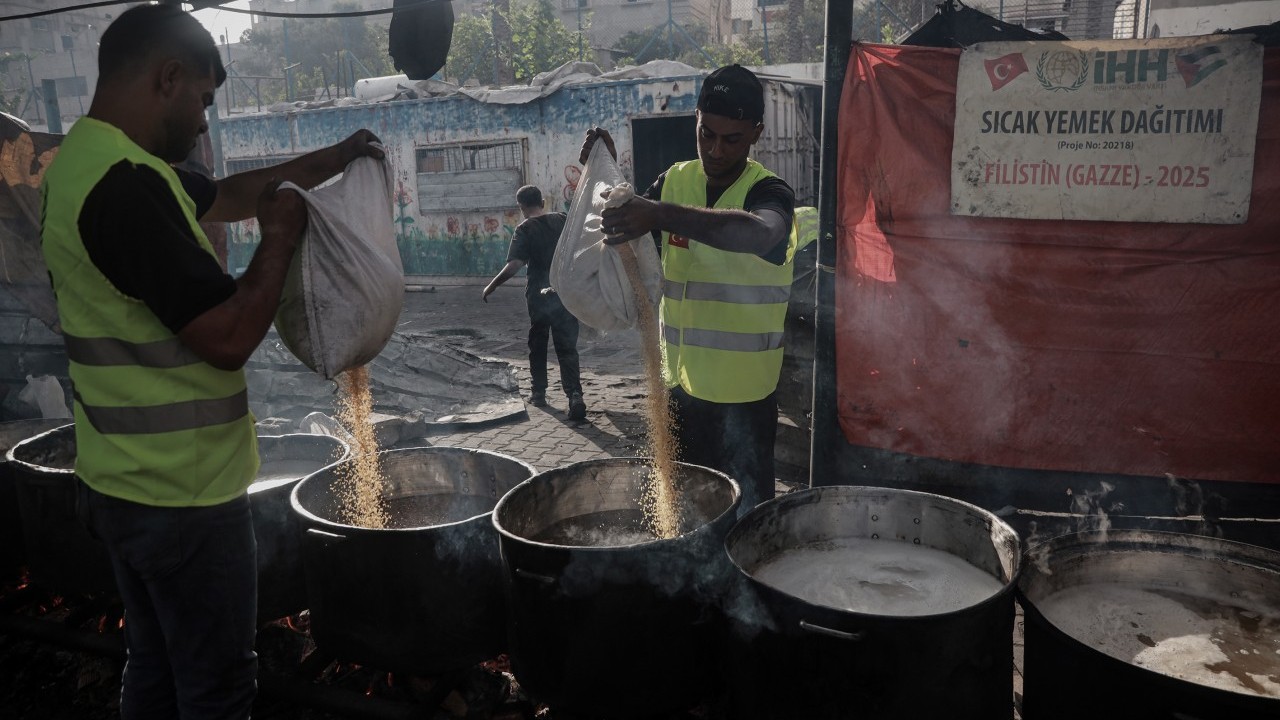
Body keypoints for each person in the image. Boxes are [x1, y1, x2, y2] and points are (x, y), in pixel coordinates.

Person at [39, 6, 384, 719]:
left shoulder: (94, 162)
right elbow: (227, 337)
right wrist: (280, 238)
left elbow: (228, 195)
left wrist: (333, 159)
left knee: (157, 664)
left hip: (120, 481)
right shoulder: (125, 189)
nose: (204, 123)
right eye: (201, 99)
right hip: (182, 499)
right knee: (216, 688)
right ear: (167, 78)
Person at [579, 64, 797, 514]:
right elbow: (631, 235)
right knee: (686, 511)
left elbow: (760, 235)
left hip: (744, 402)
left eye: (731, 139)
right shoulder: (674, 181)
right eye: (706, 133)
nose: (715, 149)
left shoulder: (769, 192)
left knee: (747, 520)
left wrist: (661, 214)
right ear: (696, 119)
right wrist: (606, 175)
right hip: (680, 391)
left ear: (755, 133)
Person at [483, 185, 588, 421]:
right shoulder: (562, 220)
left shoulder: (525, 229)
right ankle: (575, 396)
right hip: (564, 293)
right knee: (567, 348)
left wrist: (492, 285)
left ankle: (539, 394)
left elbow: (515, 264)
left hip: (539, 296)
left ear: (521, 207)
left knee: (538, 344)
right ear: (542, 201)